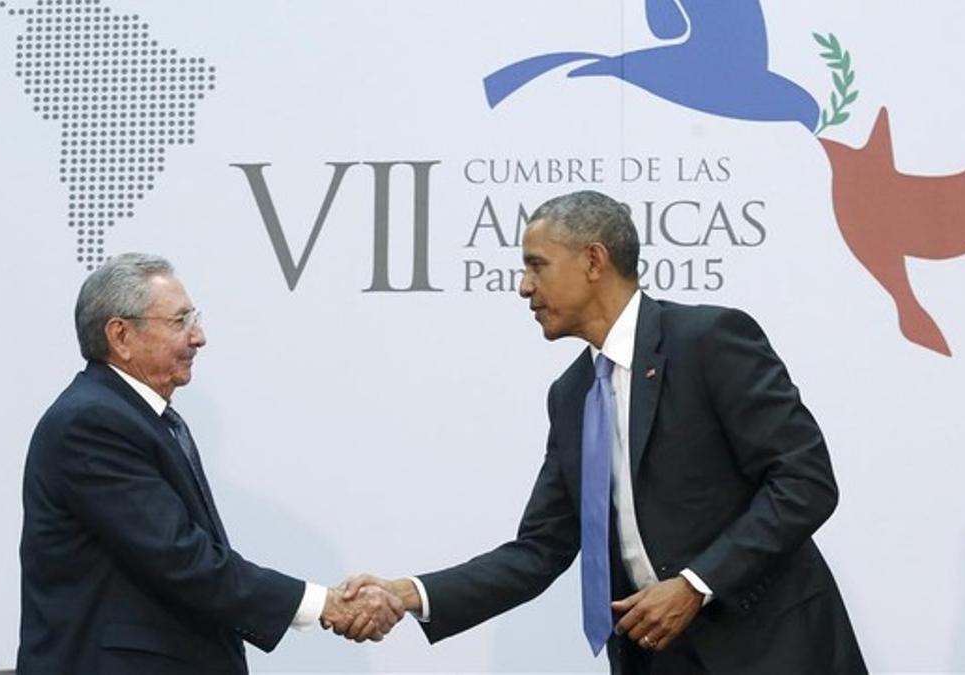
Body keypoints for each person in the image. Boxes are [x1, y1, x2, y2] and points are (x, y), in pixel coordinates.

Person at [345, 190, 866, 673]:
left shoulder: (708, 341)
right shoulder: (571, 395)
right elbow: (539, 550)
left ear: (594, 261)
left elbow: (805, 482)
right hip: (658, 661)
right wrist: (409, 593)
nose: (524, 286)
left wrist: (695, 585)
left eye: (536, 265)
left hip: (772, 652)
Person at [17, 253, 402, 674]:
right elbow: (179, 557)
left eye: (194, 319)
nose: (198, 337)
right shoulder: (92, 423)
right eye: (179, 321)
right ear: (121, 335)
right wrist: (323, 605)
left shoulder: (140, 418)